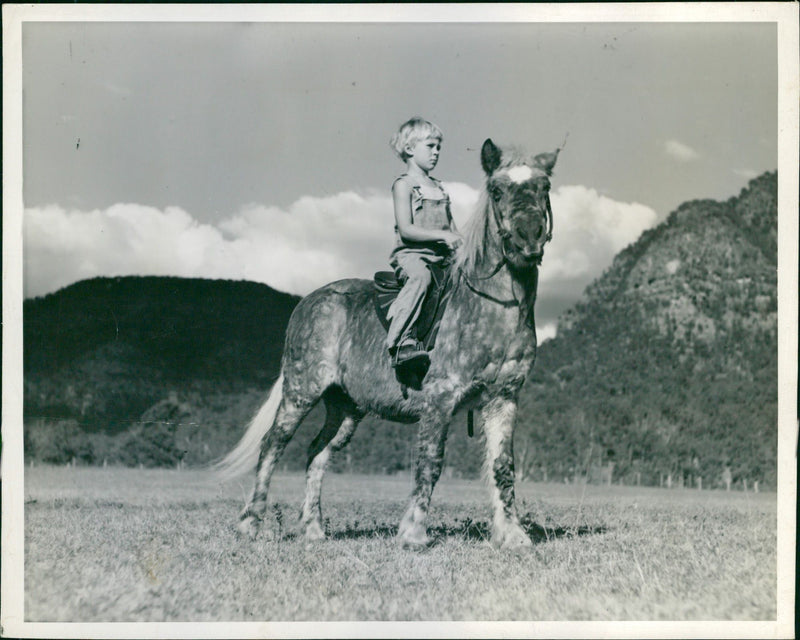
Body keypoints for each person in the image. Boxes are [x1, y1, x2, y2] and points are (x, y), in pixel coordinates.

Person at [385, 117, 462, 368]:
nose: (436, 152)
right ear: (409, 149)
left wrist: (463, 242)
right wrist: (443, 236)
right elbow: (406, 230)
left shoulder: (440, 188)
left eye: (439, 147)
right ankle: (401, 341)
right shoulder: (404, 185)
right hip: (413, 255)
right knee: (421, 278)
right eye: (430, 146)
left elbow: (452, 229)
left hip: (443, 256)